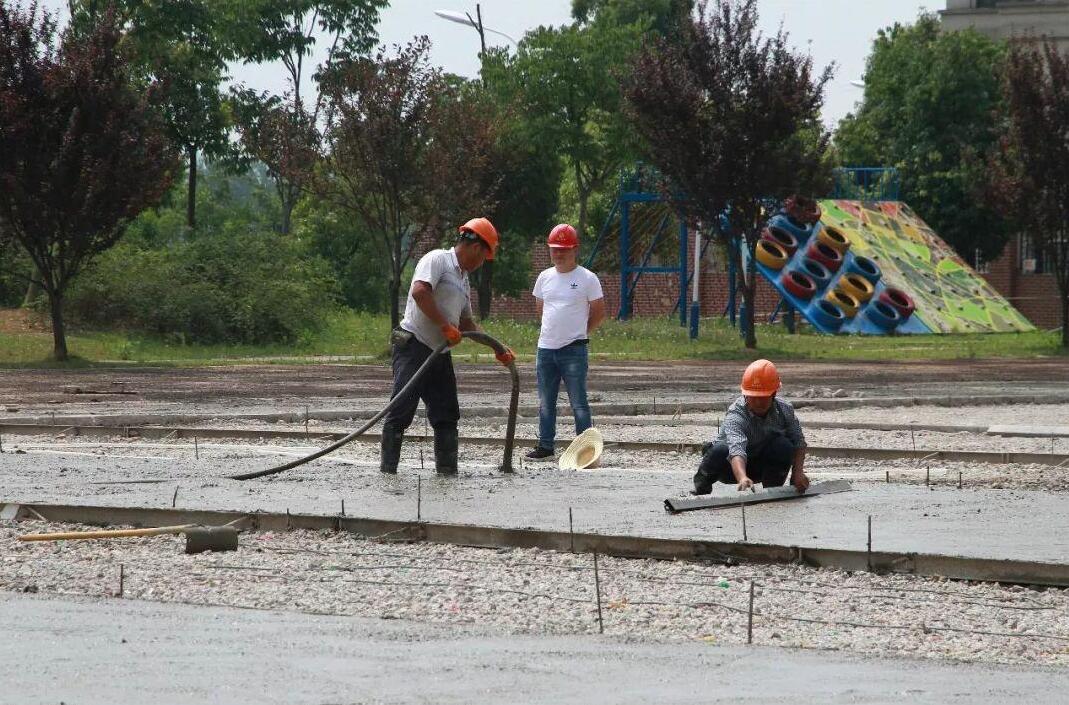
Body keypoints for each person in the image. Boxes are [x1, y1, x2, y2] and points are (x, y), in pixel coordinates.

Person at [380, 217, 514, 475]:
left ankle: (447, 473)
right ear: (476, 247)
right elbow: (420, 292)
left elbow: (466, 322)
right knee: (400, 410)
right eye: (483, 257)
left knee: (447, 415)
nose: (480, 265)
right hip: (414, 345)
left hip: (439, 354)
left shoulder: (463, 280)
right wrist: (444, 325)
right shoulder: (437, 260)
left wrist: (498, 348)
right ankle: (388, 473)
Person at [525, 223, 606, 460]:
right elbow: (541, 309)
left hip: (574, 350)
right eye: (555, 249)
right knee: (545, 402)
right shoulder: (544, 278)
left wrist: (581, 331)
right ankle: (546, 446)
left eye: (564, 249)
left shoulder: (588, 278)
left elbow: (599, 311)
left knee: (579, 402)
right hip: (546, 349)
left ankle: (585, 450)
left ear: (574, 250)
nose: (558, 254)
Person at [693, 359, 810, 494]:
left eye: (763, 397)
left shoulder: (785, 410)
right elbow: (736, 449)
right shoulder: (735, 414)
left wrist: (798, 473)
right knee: (720, 450)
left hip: (760, 465)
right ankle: (701, 488)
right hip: (729, 467)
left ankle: (772, 492)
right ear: (745, 395)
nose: (758, 402)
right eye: (753, 397)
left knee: (783, 445)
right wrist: (742, 477)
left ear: (773, 394)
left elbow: (799, 442)